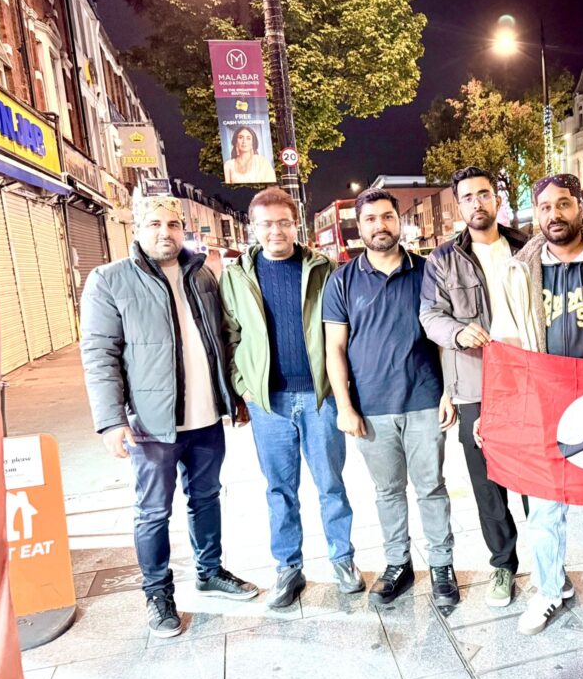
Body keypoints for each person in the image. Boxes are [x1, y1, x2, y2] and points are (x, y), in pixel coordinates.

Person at [80, 192, 258, 639]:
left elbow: (223, 338)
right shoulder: (110, 280)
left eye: (173, 224)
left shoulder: (202, 276)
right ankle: (158, 593)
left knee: (206, 498)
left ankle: (210, 571)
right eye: (155, 224)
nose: (165, 232)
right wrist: (111, 420)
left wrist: (233, 396)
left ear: (183, 229)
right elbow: (100, 354)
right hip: (151, 425)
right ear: (137, 228)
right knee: (153, 511)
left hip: (205, 418)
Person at [476, 173, 583, 636]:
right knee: (545, 509)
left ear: (580, 206)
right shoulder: (518, 270)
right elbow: (506, 344)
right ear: (536, 213)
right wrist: (498, 409)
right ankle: (550, 589)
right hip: (543, 405)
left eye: (564, 204)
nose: (555, 214)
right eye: (546, 207)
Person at [220, 186, 363, 607]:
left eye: (283, 222)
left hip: (319, 399)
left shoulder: (323, 269)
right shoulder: (236, 277)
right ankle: (288, 568)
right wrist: (244, 387)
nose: (275, 231)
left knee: (331, 484)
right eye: (266, 224)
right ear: (253, 227)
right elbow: (229, 337)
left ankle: (343, 559)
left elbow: (344, 329)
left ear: (295, 223)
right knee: (279, 490)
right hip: (270, 404)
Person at [323, 187, 459, 608]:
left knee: (431, 488)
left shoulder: (427, 272)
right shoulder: (342, 280)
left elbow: (442, 337)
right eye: (370, 218)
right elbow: (335, 348)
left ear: (399, 222)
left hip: (424, 399)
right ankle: (398, 564)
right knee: (387, 492)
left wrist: (448, 391)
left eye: (387, 217)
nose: (379, 225)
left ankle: (442, 566)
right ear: (359, 226)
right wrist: (345, 407)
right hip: (371, 408)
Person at [420, 166, 527, 608]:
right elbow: (430, 316)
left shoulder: (528, 247)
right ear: (458, 205)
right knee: (488, 485)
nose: (477, 203)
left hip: (531, 382)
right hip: (475, 387)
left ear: (497, 199)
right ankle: (503, 564)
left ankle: (550, 561)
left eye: (484, 194)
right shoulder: (443, 260)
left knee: (537, 481)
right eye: (467, 197)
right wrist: (458, 332)